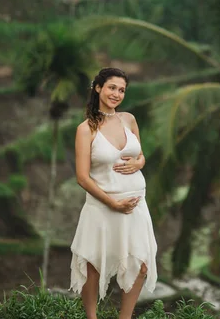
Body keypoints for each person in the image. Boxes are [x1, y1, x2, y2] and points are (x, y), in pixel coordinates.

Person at [69, 67, 157, 319]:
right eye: (112, 88)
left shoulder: (128, 119)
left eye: (121, 90)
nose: (116, 94)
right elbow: (82, 177)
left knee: (140, 265)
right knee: (93, 265)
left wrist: (140, 163)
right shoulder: (86, 129)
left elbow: (140, 154)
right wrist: (113, 203)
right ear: (98, 88)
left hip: (136, 206)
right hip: (103, 206)